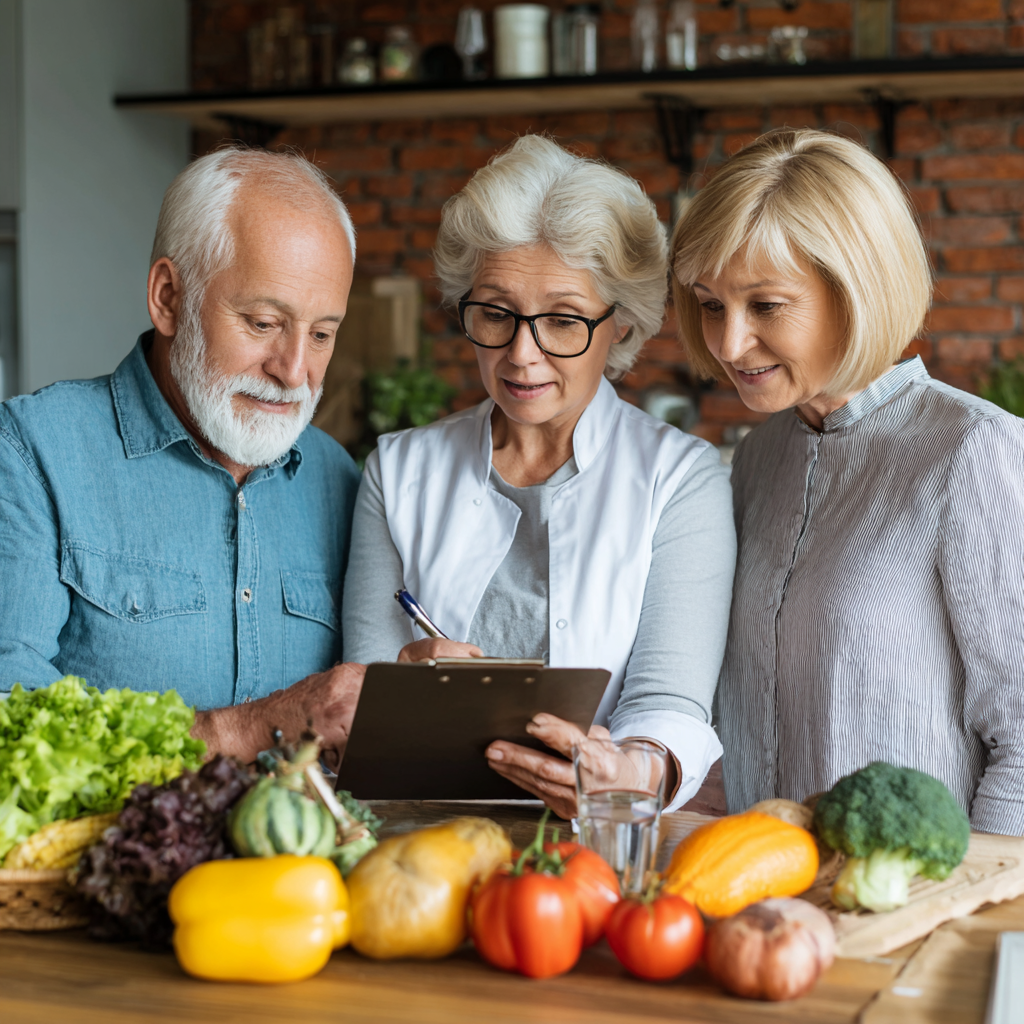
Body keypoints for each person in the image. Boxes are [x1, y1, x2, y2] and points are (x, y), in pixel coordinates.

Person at [343, 135, 737, 817]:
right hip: (420, 843)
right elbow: (360, 703)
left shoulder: (680, 479)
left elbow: (669, 703)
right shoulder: (398, 472)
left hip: (598, 845)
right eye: (495, 313)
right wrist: (403, 688)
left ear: (620, 326)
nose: (522, 356)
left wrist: (629, 769)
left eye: (561, 321)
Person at [670, 128, 1024, 835]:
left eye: (766, 306)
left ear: (855, 289)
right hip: (763, 906)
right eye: (711, 304)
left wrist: (965, 912)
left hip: (912, 913)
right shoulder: (758, 457)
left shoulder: (973, 451)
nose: (729, 343)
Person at [0, 147, 366, 770]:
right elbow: (9, 718)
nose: (295, 371)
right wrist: (246, 730)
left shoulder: (342, 480)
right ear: (168, 297)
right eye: (261, 322)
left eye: (323, 334)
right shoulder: (32, 451)